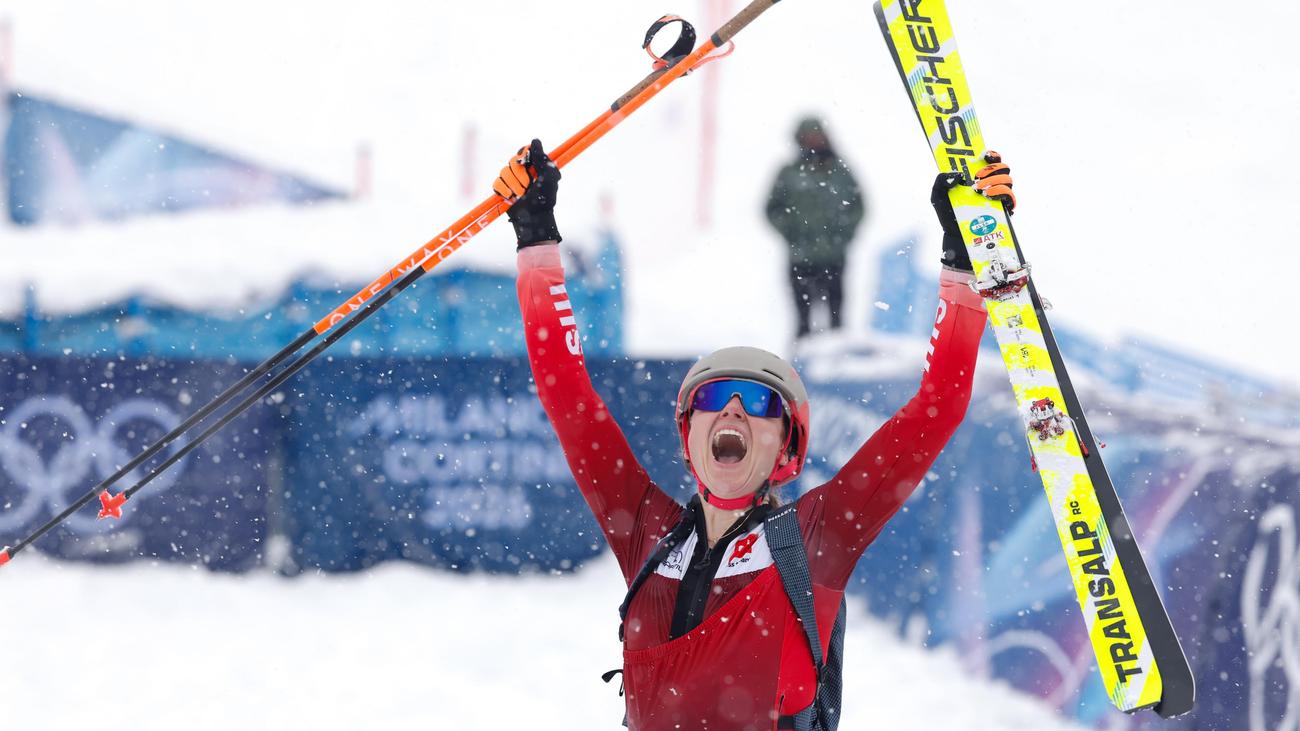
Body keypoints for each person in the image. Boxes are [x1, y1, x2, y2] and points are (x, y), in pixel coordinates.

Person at [496, 139, 1015, 729]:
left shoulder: (818, 536)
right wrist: (536, 235)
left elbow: (936, 408)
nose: (733, 412)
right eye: (713, 398)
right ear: (687, 433)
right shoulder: (646, 531)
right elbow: (566, 392)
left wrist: (966, 259)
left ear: (787, 446)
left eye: (761, 403)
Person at [764, 117, 865, 339]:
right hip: (800, 258)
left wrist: (844, 234)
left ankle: (837, 365)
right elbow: (772, 209)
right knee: (802, 323)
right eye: (808, 137)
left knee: (837, 321)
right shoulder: (788, 173)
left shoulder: (840, 172)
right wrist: (791, 233)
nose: (814, 142)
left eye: (817, 136)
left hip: (834, 257)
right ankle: (801, 363)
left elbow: (858, 206)